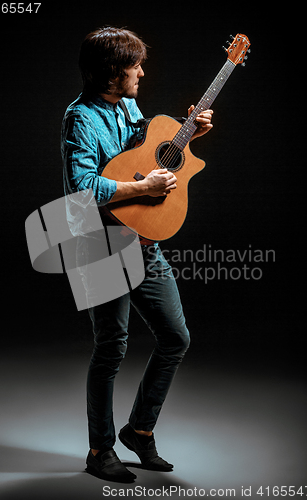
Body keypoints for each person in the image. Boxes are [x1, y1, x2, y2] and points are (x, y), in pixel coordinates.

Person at [61, 27, 213, 483]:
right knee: (111, 348)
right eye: (135, 65)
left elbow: (146, 155)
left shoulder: (128, 105)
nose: (142, 72)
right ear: (111, 71)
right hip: (98, 241)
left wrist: (188, 136)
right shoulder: (79, 118)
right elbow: (81, 189)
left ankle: (139, 430)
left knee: (176, 338)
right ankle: (99, 450)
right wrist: (143, 188)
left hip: (143, 242)